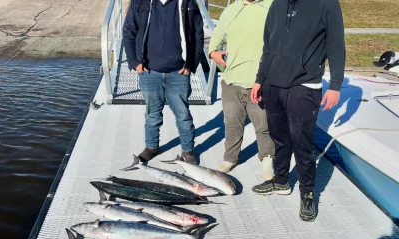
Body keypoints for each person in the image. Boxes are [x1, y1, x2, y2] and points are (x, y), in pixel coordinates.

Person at [251, 0, 346, 222]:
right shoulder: (277, 4)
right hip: (273, 82)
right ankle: (281, 180)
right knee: (279, 138)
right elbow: (268, 46)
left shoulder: (327, 4)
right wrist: (260, 80)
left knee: (302, 142)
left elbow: (336, 45)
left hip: (305, 84)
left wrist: (336, 85)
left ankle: (307, 192)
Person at [123, 0, 204, 164]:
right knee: (152, 114)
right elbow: (129, 32)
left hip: (179, 72)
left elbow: (198, 33)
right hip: (149, 71)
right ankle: (152, 147)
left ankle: (188, 151)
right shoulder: (140, 3)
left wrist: (191, 64)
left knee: (183, 115)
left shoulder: (187, 3)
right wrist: (134, 62)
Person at [208, 0, 275, 180]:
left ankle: (267, 159)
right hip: (232, 81)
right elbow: (216, 38)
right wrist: (213, 52)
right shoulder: (231, 10)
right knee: (232, 123)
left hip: (261, 82)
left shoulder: (273, 6)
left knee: (264, 125)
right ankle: (230, 158)